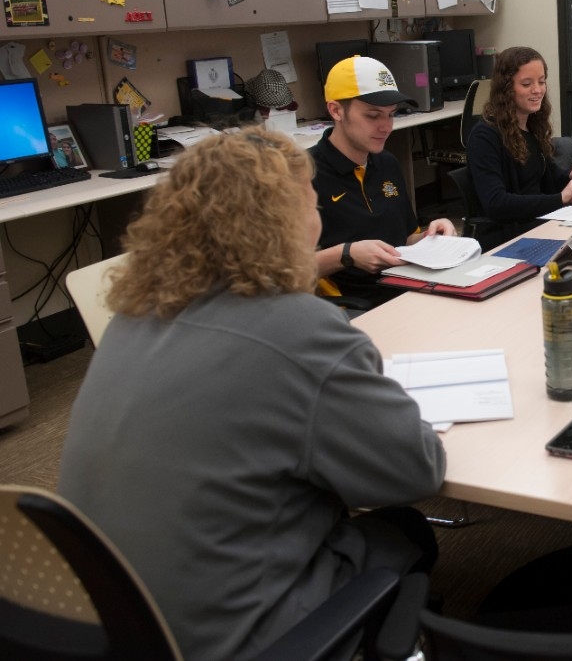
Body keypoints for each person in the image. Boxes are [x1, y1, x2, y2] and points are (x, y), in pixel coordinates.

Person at [58, 128, 447, 661]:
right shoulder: (301, 328)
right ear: (284, 221)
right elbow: (415, 470)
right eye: (313, 205)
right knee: (405, 530)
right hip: (235, 641)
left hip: (105, 619)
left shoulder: (134, 316)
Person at [312, 55, 456, 307]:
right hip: (350, 307)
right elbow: (281, 272)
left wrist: (431, 238)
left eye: (391, 115)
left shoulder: (386, 162)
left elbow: (406, 240)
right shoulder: (304, 174)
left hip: (407, 289)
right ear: (336, 110)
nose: (386, 127)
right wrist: (347, 255)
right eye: (372, 115)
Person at [467, 45, 572, 245]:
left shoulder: (531, 126)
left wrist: (571, 177)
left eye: (541, 82)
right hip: (510, 236)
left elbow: (545, 176)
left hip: (540, 224)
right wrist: (559, 198)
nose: (538, 90)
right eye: (527, 84)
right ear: (507, 89)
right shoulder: (485, 136)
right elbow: (496, 203)